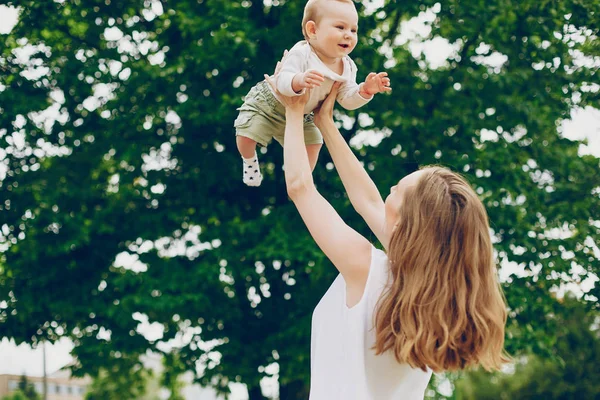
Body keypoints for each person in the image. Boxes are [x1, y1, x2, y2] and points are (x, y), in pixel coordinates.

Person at [264, 76, 509, 399]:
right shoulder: (428, 298)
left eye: (395, 190)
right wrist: (325, 123)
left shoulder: (366, 268)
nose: (388, 192)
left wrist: (294, 112)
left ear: (410, 221)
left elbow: (300, 187)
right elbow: (367, 202)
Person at [234, 0, 391, 186]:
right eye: (340, 27)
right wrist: (299, 80)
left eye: (353, 30)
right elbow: (282, 80)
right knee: (245, 138)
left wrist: (365, 90)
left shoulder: (347, 66)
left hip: (303, 116)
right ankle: (249, 160)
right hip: (268, 105)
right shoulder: (302, 53)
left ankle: (299, 179)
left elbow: (346, 99)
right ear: (313, 30)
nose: (348, 35)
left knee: (314, 144)